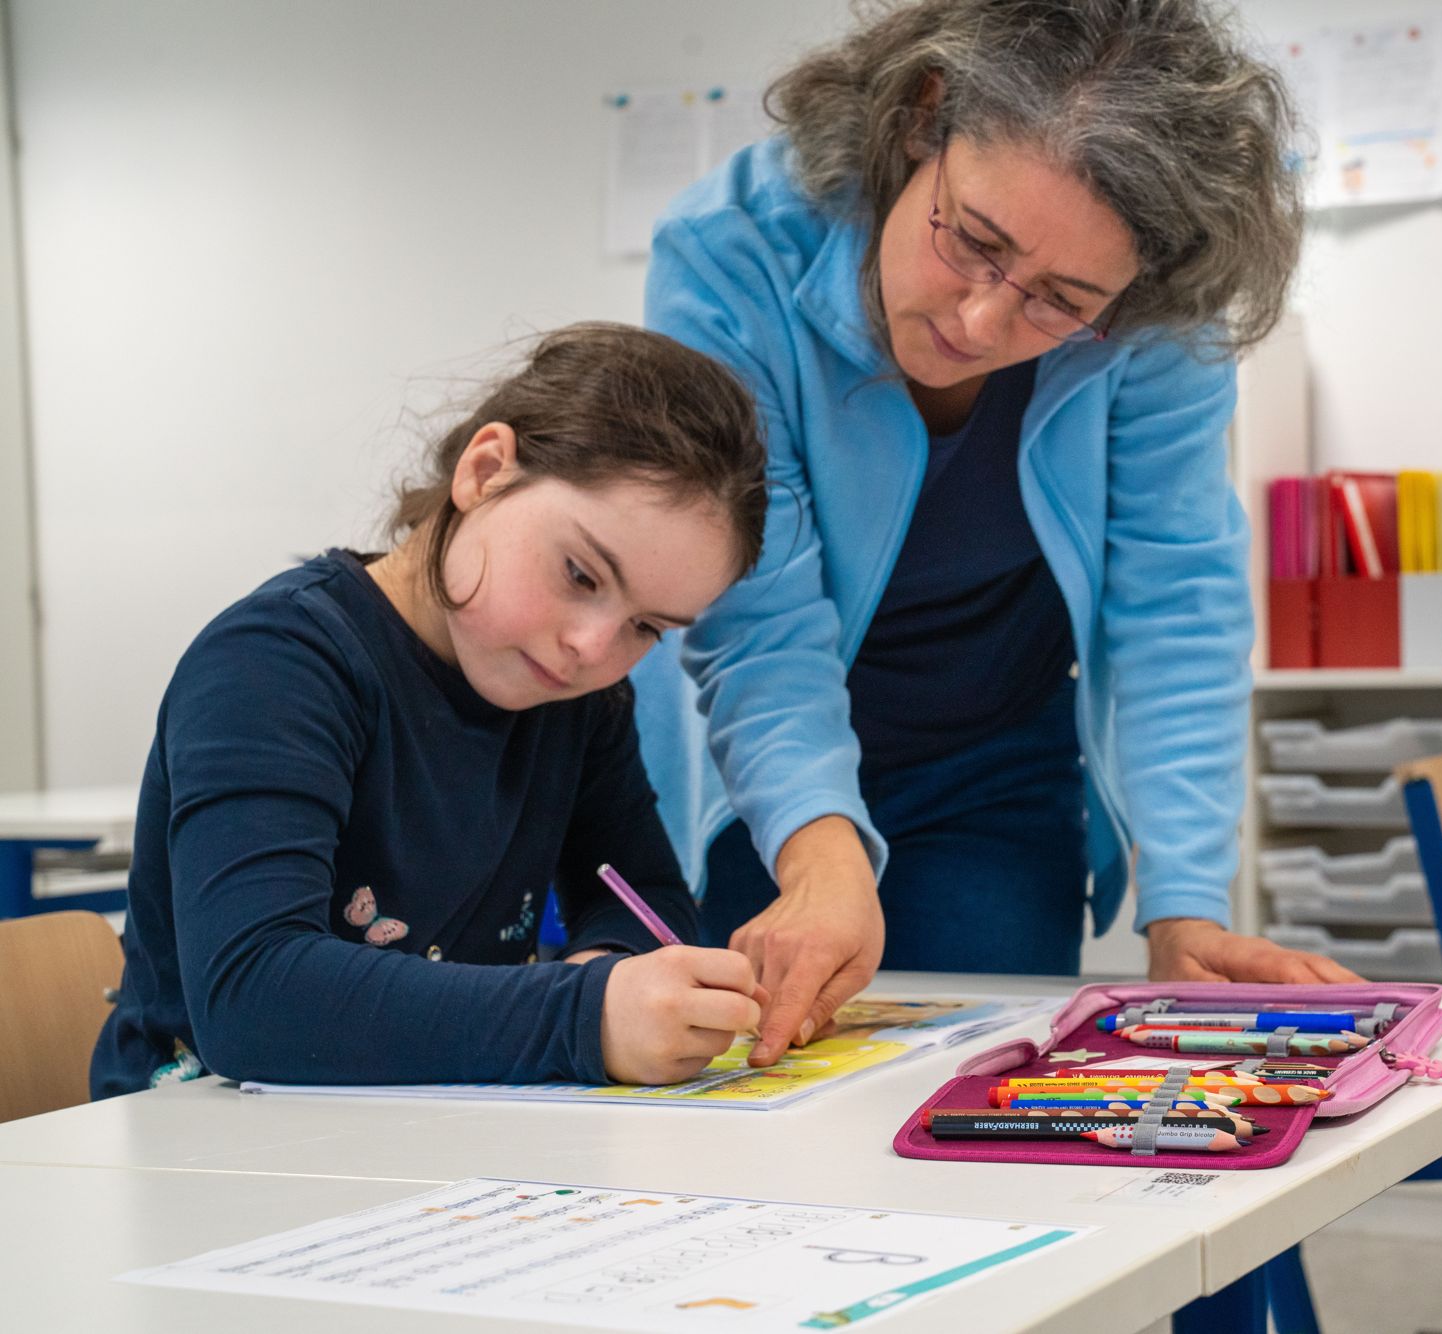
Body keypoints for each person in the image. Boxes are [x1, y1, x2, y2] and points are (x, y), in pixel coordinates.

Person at [631, 0, 1359, 1071]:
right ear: (922, 119)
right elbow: (755, 609)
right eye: (971, 241)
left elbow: (1173, 599)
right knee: (759, 1090)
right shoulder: (732, 253)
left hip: (994, 754)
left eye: (1059, 300)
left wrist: (1185, 904)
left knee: (977, 1079)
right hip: (761, 755)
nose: (978, 324)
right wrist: (821, 853)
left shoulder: (1158, 313)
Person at [92, 323, 772, 1098]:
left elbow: (645, 895)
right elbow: (251, 997)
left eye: (645, 626)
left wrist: (610, 970)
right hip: (198, 1148)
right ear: (485, 473)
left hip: (427, 1138)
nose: (591, 645)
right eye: (580, 574)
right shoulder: (274, 662)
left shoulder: (575, 701)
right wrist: (583, 1016)